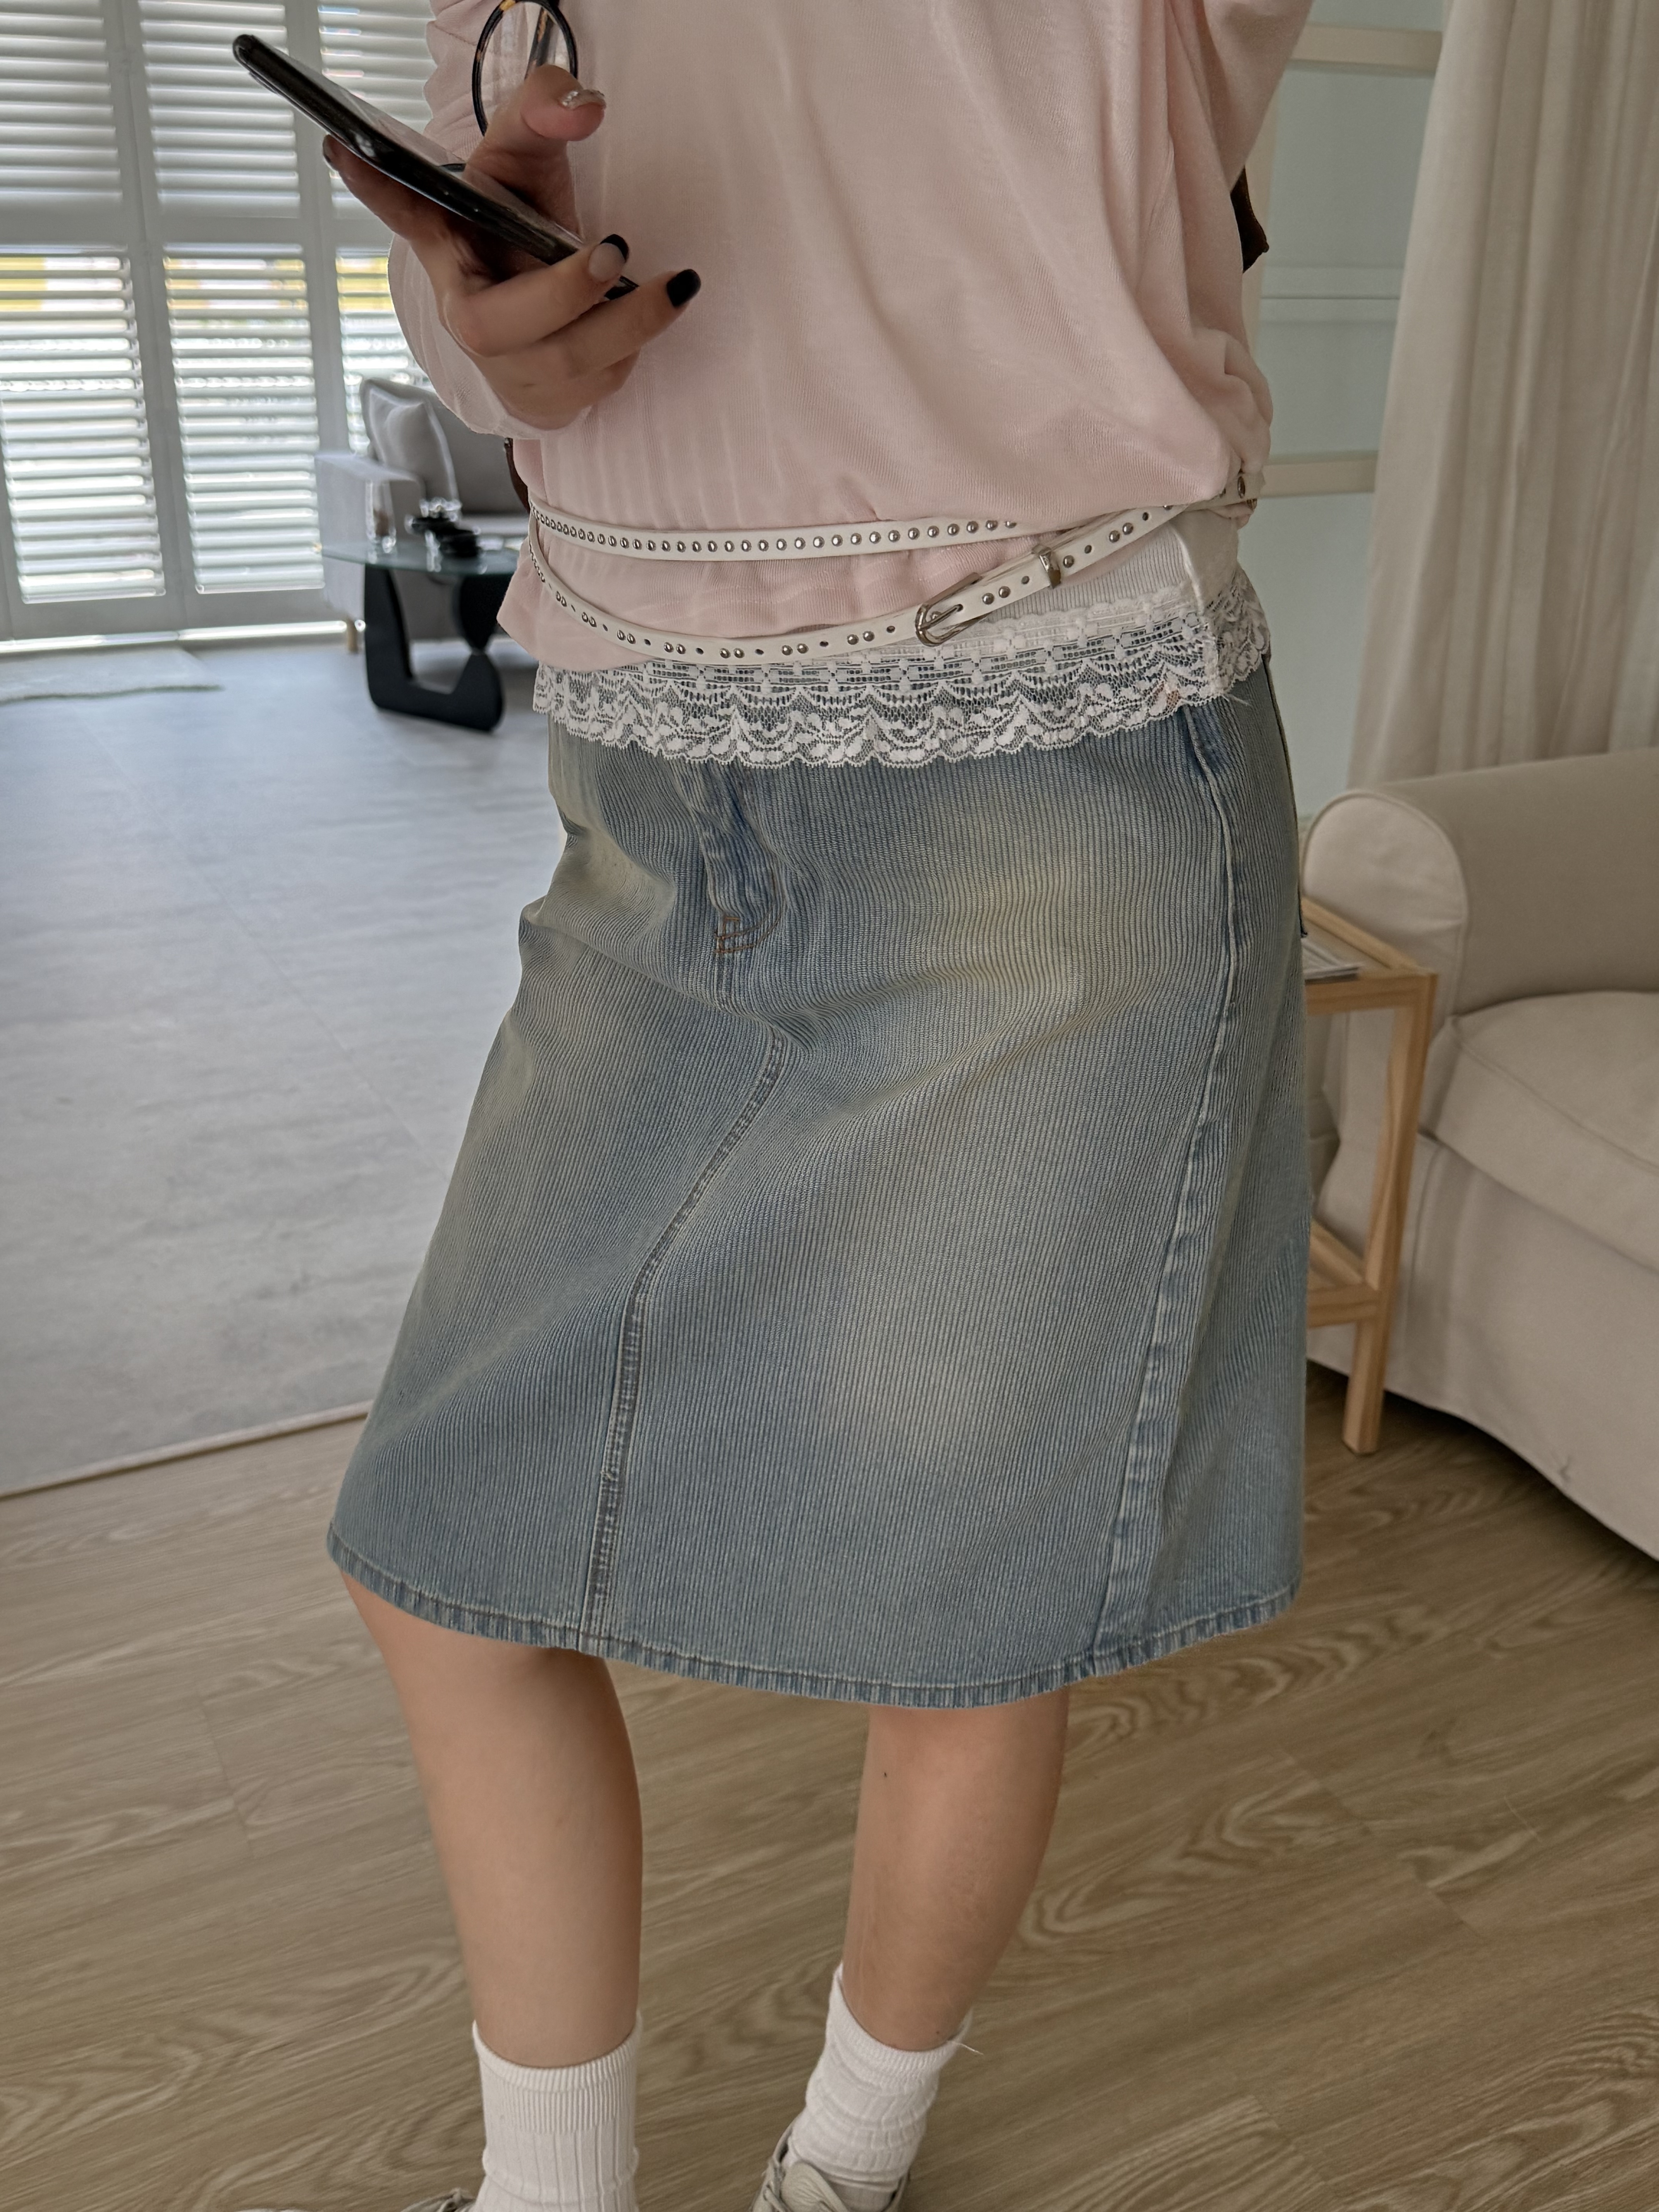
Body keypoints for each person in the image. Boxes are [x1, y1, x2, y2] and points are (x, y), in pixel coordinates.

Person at [263, 5, 1316, 2208]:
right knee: (442, 1566)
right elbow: (490, 344)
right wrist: (495, 326)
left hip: (1047, 767)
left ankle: (843, 2165)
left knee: (964, 1600)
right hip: (645, 792)